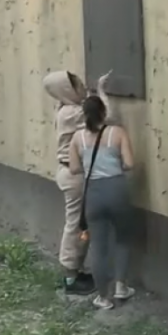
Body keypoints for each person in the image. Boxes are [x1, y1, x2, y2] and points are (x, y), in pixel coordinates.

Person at [42, 69, 113, 295]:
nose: (82, 88)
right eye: (77, 86)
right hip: (75, 176)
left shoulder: (65, 108)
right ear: (66, 91)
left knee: (79, 224)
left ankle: (75, 271)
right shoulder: (72, 113)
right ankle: (70, 277)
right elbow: (104, 117)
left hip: (70, 173)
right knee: (76, 225)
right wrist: (101, 91)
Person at [68, 95, 135, 310]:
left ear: (84, 115)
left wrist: (91, 166)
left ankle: (103, 297)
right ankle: (121, 286)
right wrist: (113, 165)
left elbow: (74, 169)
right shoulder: (118, 132)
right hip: (117, 189)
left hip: (94, 193)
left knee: (98, 246)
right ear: (103, 113)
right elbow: (129, 163)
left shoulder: (77, 138)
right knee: (123, 238)